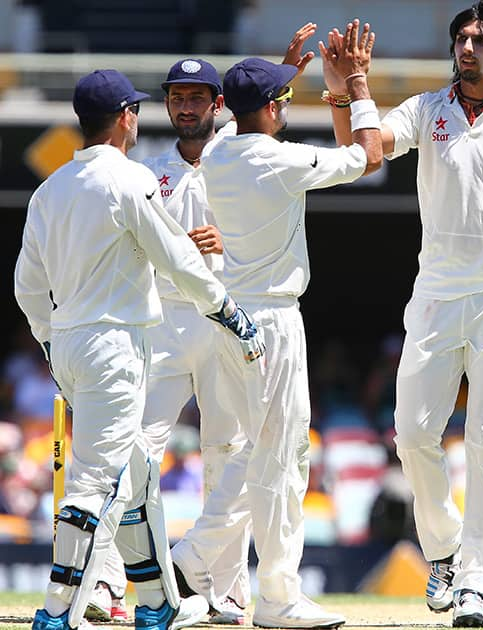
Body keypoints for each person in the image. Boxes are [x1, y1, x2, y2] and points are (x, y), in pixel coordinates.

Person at [329, 2, 483, 625]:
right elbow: (362, 156)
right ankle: (441, 550)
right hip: (437, 291)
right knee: (412, 434)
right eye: (462, 38)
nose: (467, 47)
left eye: (480, 39)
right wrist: (350, 92)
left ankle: (475, 585)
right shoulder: (426, 110)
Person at [87, 24, 323, 626]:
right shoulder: (147, 171)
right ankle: (107, 583)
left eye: (197, 98)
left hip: (226, 315)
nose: (185, 106)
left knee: (233, 448)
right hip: (164, 321)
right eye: (176, 97)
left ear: (219, 107)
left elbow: (260, 107)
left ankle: (220, 586)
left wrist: (225, 244)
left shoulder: (235, 156)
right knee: (134, 449)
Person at [15, 69, 264, 630]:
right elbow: (177, 256)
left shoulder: (47, 190)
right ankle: (58, 611)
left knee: (137, 473)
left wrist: (49, 340)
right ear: (126, 116)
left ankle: (155, 600)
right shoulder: (130, 180)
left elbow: (27, 286)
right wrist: (227, 310)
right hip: (117, 345)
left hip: (71, 345)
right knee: (95, 480)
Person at [167, 19, 381, 629]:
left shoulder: (218, 151)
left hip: (228, 318)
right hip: (272, 323)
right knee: (279, 455)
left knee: (261, 451)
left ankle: (258, 585)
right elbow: (366, 157)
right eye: (281, 98)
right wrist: (355, 86)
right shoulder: (279, 160)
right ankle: (217, 566)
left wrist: (283, 71)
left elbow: (241, 115)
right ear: (267, 108)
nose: (288, 105)